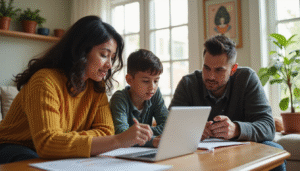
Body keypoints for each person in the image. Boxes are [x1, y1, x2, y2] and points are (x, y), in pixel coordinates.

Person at [0, 15, 153, 164]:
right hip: (13, 146)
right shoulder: (45, 80)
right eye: (104, 55)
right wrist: (118, 140)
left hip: (55, 153)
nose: (110, 65)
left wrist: (63, 140)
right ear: (81, 51)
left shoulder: (96, 87)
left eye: (112, 57)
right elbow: (48, 143)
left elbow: (106, 131)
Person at [169, 35, 286, 171]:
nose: (211, 76)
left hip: (241, 149)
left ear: (233, 69)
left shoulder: (247, 78)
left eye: (219, 70)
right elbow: (168, 124)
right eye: (206, 68)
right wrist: (192, 132)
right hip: (199, 151)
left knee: (274, 150)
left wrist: (236, 129)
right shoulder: (188, 83)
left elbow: (268, 127)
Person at [110, 49, 168, 147]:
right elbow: (122, 134)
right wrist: (152, 139)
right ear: (129, 80)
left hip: (143, 151)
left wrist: (142, 134)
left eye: (156, 81)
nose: (152, 87)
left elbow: (169, 126)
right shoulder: (119, 98)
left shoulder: (155, 94)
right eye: (146, 81)